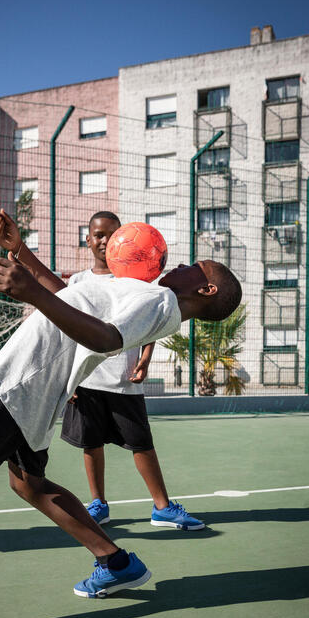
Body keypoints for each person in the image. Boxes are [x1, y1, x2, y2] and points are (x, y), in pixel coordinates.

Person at [0, 209, 242, 618]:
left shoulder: (159, 302)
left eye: (193, 268)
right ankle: (115, 562)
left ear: (204, 288)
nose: (181, 265)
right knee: (28, 483)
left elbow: (105, 338)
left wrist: (31, 295)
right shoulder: (142, 292)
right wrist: (20, 250)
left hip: (25, 378)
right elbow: (69, 295)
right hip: (39, 383)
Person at [63, 211, 205, 530]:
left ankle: (162, 506)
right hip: (87, 379)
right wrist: (69, 378)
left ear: (121, 240)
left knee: (141, 443)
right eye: (98, 234)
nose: (104, 240)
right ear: (88, 240)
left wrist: (145, 358)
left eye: (112, 234)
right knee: (91, 443)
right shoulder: (77, 282)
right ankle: (98, 503)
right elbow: (70, 330)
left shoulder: (135, 280)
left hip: (123, 380)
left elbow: (148, 324)